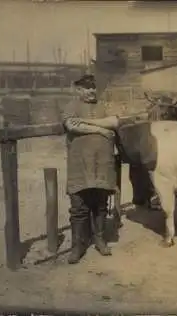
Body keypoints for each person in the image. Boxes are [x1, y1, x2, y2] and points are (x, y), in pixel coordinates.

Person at [61, 74, 120, 264]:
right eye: (87, 87)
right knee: (78, 206)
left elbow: (114, 122)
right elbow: (71, 125)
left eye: (93, 87)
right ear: (78, 90)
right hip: (80, 164)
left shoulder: (104, 105)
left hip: (102, 164)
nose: (92, 90)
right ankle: (77, 246)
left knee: (101, 204)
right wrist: (101, 130)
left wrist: (90, 123)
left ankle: (100, 240)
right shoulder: (71, 106)